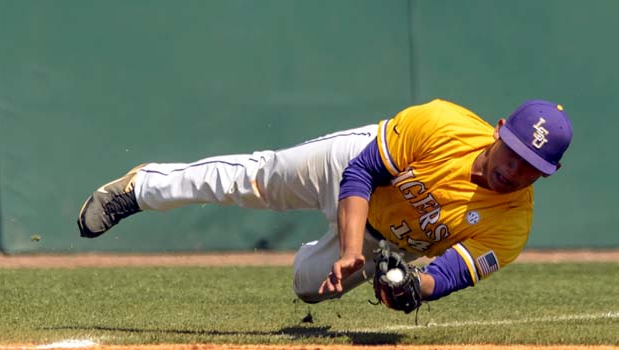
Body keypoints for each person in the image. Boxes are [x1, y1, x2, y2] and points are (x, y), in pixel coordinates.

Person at [77, 99, 572, 306]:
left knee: (308, 290)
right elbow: (361, 171)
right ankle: (142, 189)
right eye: (516, 153)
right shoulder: (443, 124)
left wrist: (409, 289)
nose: (517, 169)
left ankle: (344, 258)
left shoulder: (512, 225)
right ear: (501, 132)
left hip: (382, 238)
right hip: (348, 168)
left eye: (534, 167)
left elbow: (449, 275)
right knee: (256, 179)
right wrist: (350, 248)